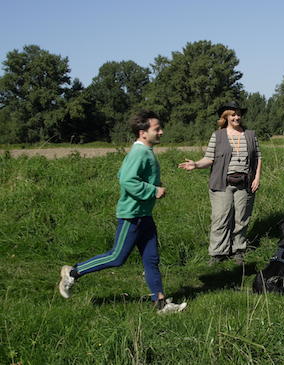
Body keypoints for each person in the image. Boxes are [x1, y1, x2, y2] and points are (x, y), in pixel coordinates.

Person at [58, 110, 187, 314]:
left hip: (144, 216)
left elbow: (123, 172)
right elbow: (127, 180)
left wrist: (152, 186)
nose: (161, 132)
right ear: (143, 132)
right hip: (132, 216)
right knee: (117, 257)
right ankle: (73, 272)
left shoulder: (144, 151)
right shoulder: (139, 152)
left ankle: (161, 304)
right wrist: (153, 190)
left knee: (151, 259)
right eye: (157, 129)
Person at [178, 101, 262, 265]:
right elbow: (209, 159)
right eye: (233, 114)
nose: (236, 117)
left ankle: (238, 250)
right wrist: (195, 164)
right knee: (220, 218)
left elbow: (258, 157)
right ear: (226, 117)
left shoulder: (250, 135)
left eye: (238, 114)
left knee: (241, 218)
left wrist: (257, 177)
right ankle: (218, 252)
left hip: (245, 183)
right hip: (222, 183)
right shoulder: (218, 136)